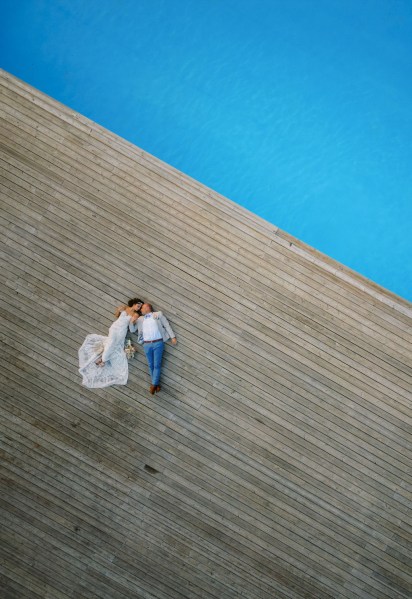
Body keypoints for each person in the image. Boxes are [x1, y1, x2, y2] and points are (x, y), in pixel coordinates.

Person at [78, 298, 142, 388]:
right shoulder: (125, 307)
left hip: (121, 332)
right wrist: (118, 310)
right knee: (111, 343)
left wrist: (132, 322)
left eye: (140, 307)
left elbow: (131, 329)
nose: (138, 308)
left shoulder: (135, 314)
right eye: (138, 306)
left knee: (113, 346)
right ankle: (103, 359)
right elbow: (116, 315)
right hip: (114, 328)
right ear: (134, 304)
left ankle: (102, 359)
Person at [129, 303, 176, 395]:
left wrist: (173, 337)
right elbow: (132, 330)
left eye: (142, 308)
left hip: (158, 342)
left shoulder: (158, 314)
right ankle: (156, 385)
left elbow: (166, 325)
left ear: (147, 308)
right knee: (151, 365)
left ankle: (153, 385)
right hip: (147, 345)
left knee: (157, 365)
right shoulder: (140, 319)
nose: (140, 310)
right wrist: (132, 321)